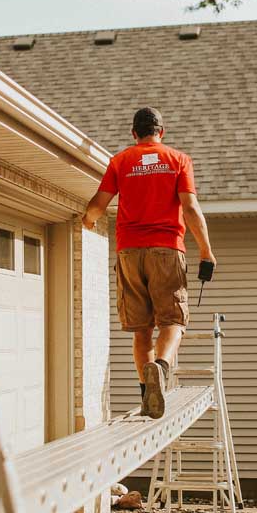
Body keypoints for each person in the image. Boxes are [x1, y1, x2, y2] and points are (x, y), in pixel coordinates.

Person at [81, 107, 216, 419]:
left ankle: (147, 397)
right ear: (161, 132)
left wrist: (86, 222)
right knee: (173, 322)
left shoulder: (120, 161)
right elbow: (191, 207)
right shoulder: (178, 160)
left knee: (141, 330)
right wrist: (206, 250)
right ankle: (162, 366)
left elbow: (98, 205)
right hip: (166, 249)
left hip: (128, 251)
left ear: (134, 134)